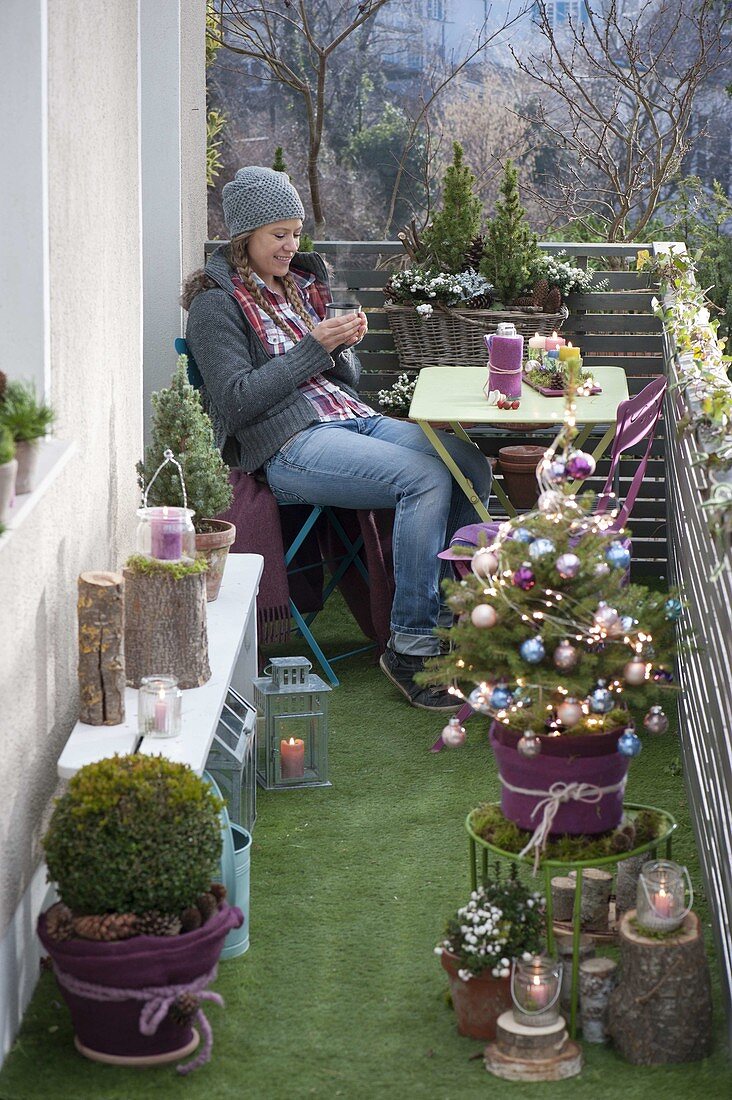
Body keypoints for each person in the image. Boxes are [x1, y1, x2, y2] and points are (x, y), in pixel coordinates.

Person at [183, 166, 492, 711]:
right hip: (288, 445)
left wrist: (343, 344)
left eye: (296, 233)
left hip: (350, 418)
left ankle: (453, 626)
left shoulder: (303, 285)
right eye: (279, 234)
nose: (291, 246)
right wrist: (314, 347)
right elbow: (234, 401)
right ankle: (410, 646)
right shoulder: (216, 304)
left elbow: (343, 381)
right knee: (423, 477)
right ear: (245, 236)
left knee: (468, 463)